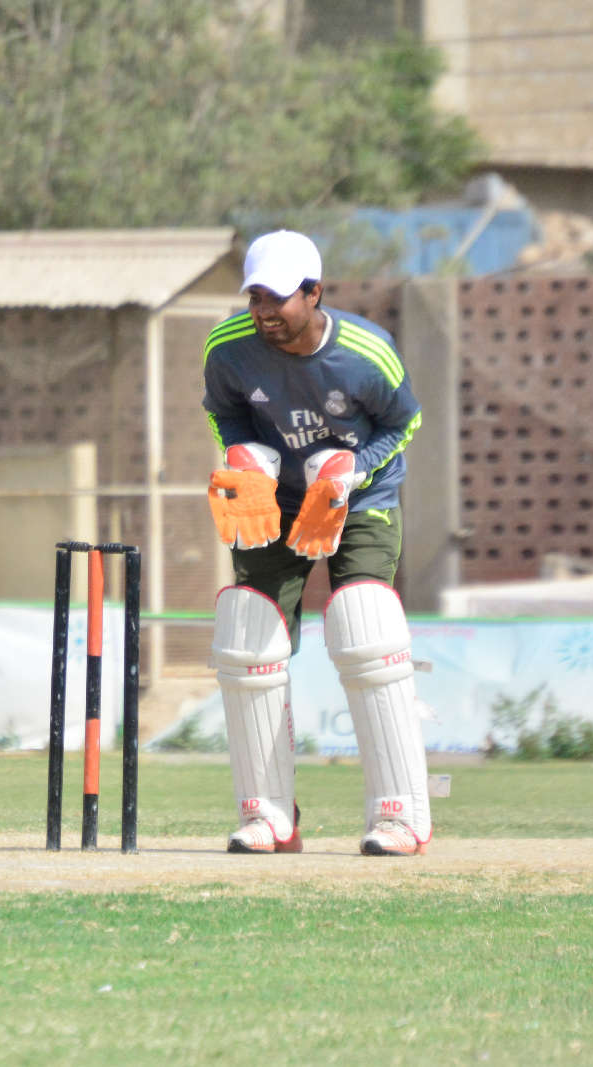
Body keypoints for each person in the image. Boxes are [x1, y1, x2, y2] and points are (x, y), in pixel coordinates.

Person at [201, 229, 431, 857]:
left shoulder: (366, 353)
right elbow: (225, 412)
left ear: (313, 292)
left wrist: (355, 471)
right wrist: (242, 455)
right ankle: (268, 815)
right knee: (249, 633)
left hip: (360, 496)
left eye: (277, 298)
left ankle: (399, 815)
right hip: (275, 499)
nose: (264, 312)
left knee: (365, 622)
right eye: (255, 297)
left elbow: (404, 421)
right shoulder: (227, 347)